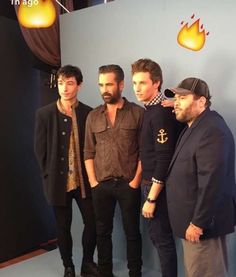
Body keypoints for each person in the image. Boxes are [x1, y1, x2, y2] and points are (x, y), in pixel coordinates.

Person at [165, 77, 236, 277]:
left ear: (202, 101)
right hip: (193, 223)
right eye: (175, 98)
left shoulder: (211, 130)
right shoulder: (196, 126)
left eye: (182, 98)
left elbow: (212, 181)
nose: (176, 102)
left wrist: (198, 223)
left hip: (202, 227)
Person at [34, 65, 99, 277]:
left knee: (93, 223)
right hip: (58, 182)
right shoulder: (44, 114)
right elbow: (39, 150)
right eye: (61, 83)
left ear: (79, 85)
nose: (65, 88)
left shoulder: (88, 113)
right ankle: (68, 265)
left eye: (70, 83)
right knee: (63, 227)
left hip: (84, 181)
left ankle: (87, 263)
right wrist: (48, 175)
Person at [84, 64, 143, 277]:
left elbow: (144, 152)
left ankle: (135, 272)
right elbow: (88, 152)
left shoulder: (137, 113)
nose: (104, 89)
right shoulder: (93, 116)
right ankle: (105, 272)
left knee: (132, 233)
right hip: (101, 185)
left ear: (121, 84)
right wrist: (93, 183)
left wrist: (135, 181)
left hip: (129, 184)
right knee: (102, 233)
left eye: (109, 84)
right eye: (101, 85)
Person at [131, 58, 183, 277]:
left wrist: (151, 199)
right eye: (134, 83)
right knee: (160, 239)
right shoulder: (154, 110)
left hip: (156, 189)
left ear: (157, 83)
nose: (137, 88)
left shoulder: (160, 113)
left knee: (162, 241)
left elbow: (164, 158)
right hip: (151, 185)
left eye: (142, 83)